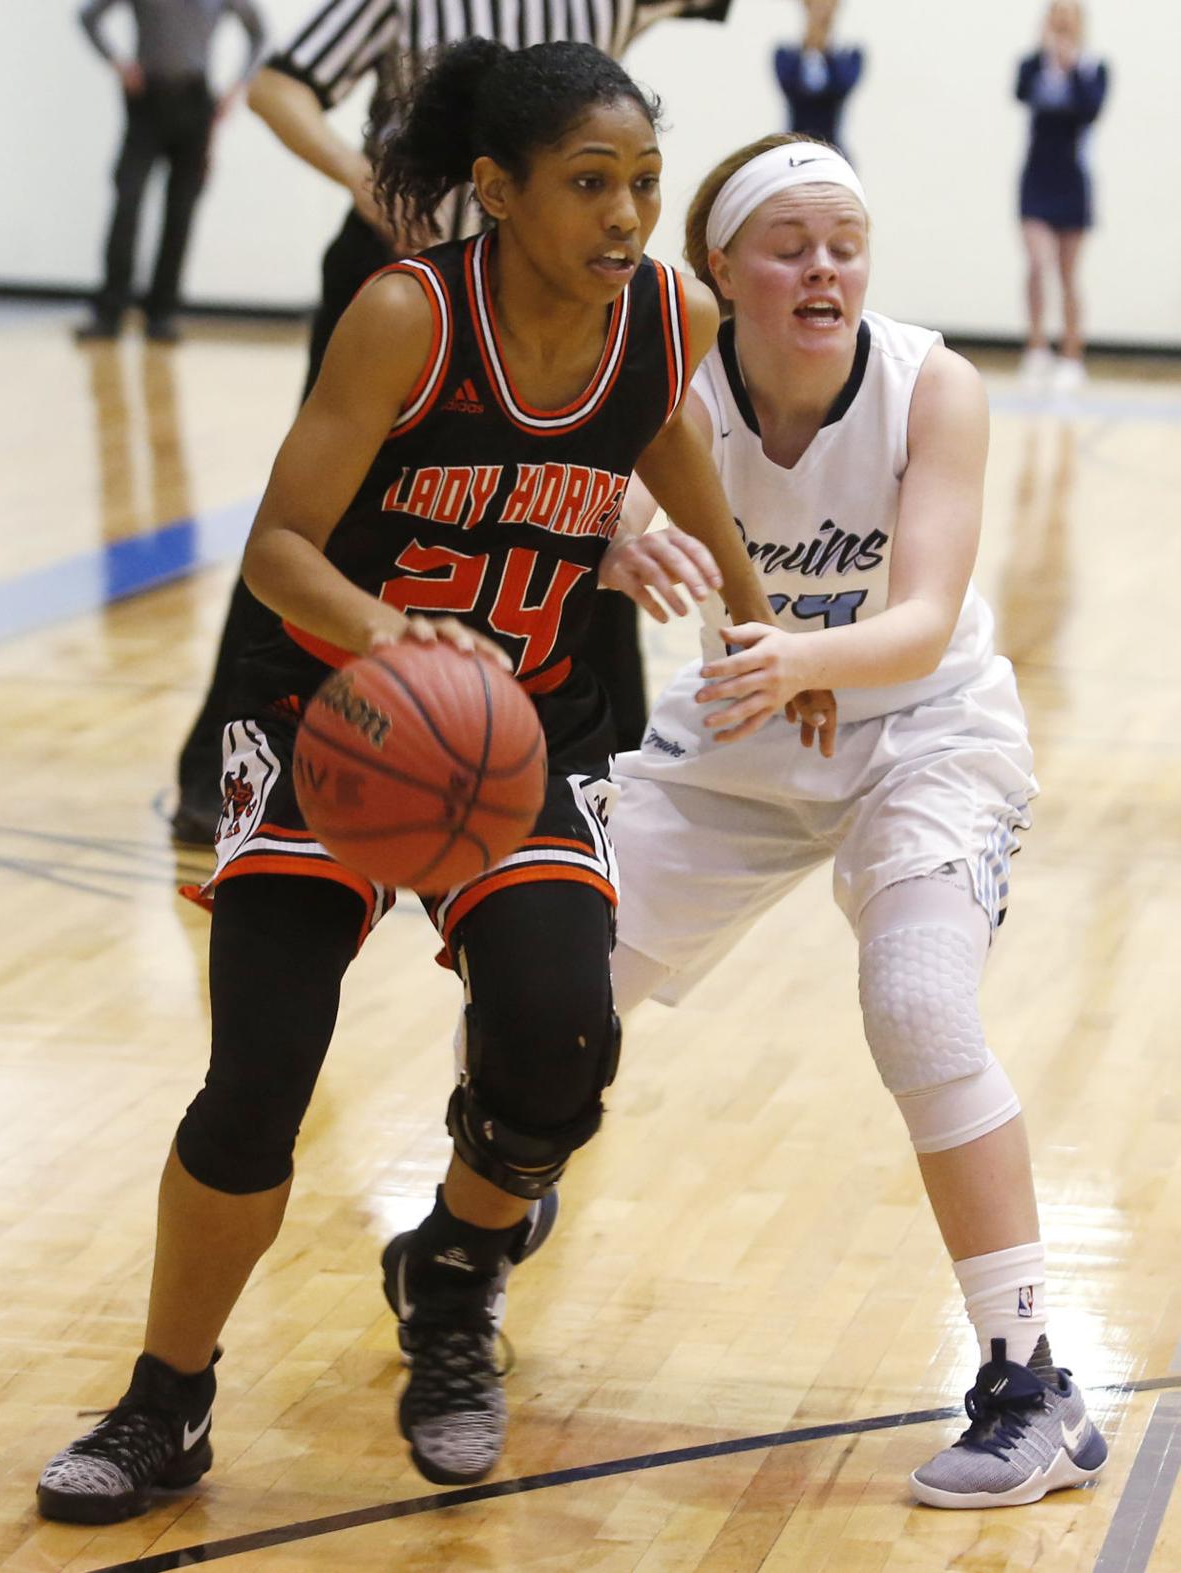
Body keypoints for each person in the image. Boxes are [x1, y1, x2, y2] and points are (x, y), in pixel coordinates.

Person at [36, 39, 780, 1523]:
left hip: (526, 730)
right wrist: (388, 635)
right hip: (328, 715)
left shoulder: (670, 316)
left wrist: (754, 620)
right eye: (589, 184)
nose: (627, 213)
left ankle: (448, 1277)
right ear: (496, 191)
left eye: (641, 180)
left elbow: (675, 444)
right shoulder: (404, 317)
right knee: (257, 1084)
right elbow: (278, 549)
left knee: (562, 1041)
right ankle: (165, 1403)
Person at [608, 133, 1109, 1509]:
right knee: (543, 989)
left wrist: (800, 656)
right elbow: (604, 511)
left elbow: (927, 616)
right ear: (723, 268)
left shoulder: (928, 384)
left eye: (846, 241)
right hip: (747, 732)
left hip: (925, 735)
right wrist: (617, 544)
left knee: (919, 1002)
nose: (825, 265)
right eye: (791, 243)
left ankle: (1030, 1383)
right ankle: (490, 1203)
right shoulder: (679, 387)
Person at [170, 0, 737, 845]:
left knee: (578, 537)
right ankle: (231, 771)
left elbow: (661, 442)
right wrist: (363, 180)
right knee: (324, 531)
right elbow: (278, 90)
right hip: (421, 290)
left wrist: (757, 623)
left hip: (583, 301)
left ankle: (594, 792)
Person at [75, 0, 267, 344]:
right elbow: (89, 16)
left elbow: (258, 32)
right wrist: (117, 63)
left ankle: (161, 314)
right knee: (127, 203)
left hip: (195, 102)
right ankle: (110, 310)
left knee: (181, 211)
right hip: (147, 100)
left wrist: (239, 85)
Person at [1016, 2, 1109, 395]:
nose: (1063, 24)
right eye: (1057, 17)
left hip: (1072, 178)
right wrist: (1046, 57)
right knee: (1038, 262)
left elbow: (1091, 108)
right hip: (1038, 176)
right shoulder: (1034, 66)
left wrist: (1070, 66)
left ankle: (1072, 354)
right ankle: (1037, 346)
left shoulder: (1093, 69)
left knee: (1069, 272)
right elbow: (1020, 92)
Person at [773, 0, 863, 157]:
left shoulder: (850, 56)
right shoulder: (785, 55)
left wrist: (824, 47)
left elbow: (839, 87)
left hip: (834, 151)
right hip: (794, 150)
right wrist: (810, 43)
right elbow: (793, 89)